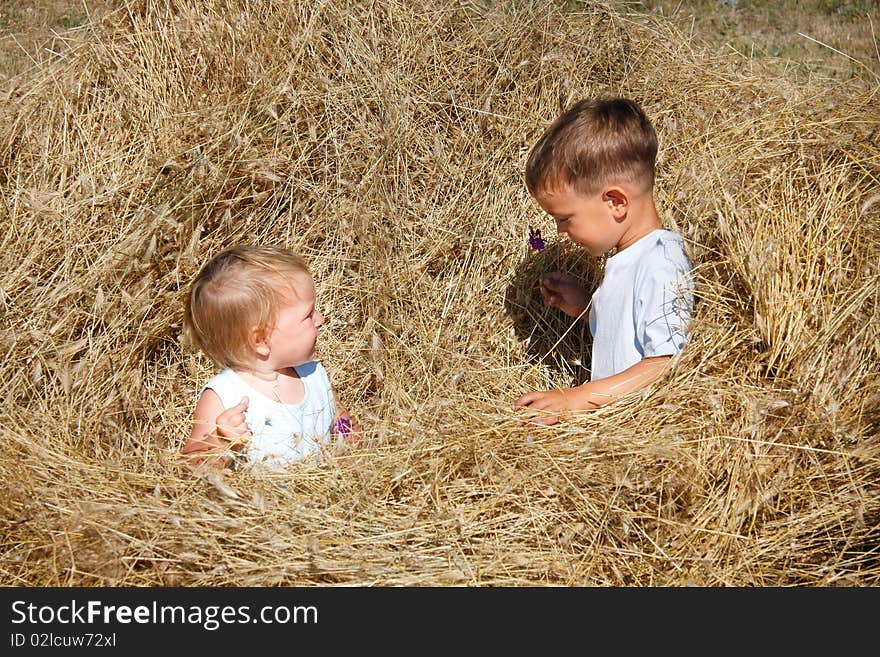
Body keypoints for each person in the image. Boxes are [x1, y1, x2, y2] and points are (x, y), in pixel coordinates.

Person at [513, 98, 694, 425]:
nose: (561, 231)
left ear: (616, 202)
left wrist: (575, 398)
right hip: (612, 434)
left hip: (638, 438)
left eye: (566, 218)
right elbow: (629, 334)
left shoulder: (661, 262)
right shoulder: (628, 258)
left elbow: (666, 363)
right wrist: (587, 308)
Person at [181, 245, 357, 470]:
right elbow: (190, 471)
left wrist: (353, 445)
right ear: (261, 340)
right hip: (260, 505)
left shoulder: (314, 376)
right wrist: (221, 440)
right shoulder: (225, 396)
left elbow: (342, 423)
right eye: (308, 315)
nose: (321, 319)